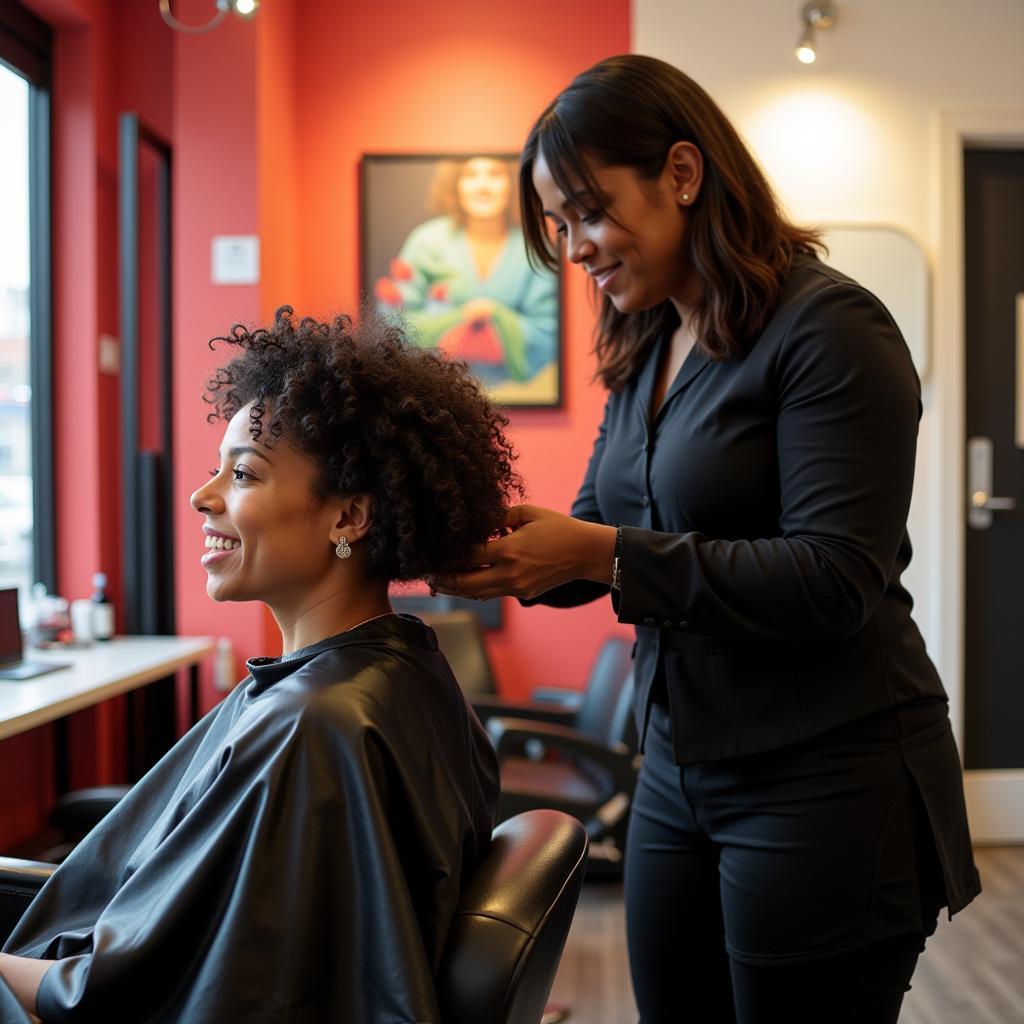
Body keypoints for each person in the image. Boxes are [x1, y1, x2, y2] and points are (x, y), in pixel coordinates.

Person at [432, 55, 980, 1023]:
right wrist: (479, 548)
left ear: (683, 174)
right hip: (678, 772)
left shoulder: (830, 330)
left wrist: (598, 555)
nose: (574, 249)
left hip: (826, 778)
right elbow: (595, 528)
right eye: (557, 226)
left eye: (589, 213)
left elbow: (834, 577)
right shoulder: (647, 342)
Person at [0, 307, 518, 1023]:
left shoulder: (314, 724)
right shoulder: (403, 671)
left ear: (349, 517)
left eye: (242, 473)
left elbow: (120, 994)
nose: (201, 496)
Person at [374, 156, 559, 403]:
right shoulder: (427, 241)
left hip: (518, 396)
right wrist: (456, 321)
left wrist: (495, 315)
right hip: (434, 397)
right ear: (454, 184)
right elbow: (393, 319)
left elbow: (551, 327)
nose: (483, 186)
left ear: (513, 184)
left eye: (495, 174)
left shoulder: (535, 246)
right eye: (471, 175)